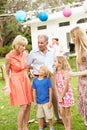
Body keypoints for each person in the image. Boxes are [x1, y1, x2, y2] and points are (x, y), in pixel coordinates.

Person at [27, 34, 62, 123]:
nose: (40, 44)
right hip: (38, 78)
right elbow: (27, 64)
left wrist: (53, 70)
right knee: (41, 98)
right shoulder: (33, 52)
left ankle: (59, 117)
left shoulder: (52, 51)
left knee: (54, 96)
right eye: (38, 42)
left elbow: (55, 62)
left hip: (50, 76)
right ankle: (44, 121)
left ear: (47, 43)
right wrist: (35, 70)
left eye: (42, 43)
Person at [4, 35, 33, 130]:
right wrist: (7, 86)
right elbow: (7, 73)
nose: (24, 48)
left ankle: (25, 127)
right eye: (22, 46)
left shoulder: (25, 54)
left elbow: (28, 65)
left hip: (25, 78)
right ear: (16, 45)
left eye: (24, 46)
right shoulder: (9, 57)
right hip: (16, 80)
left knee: (28, 104)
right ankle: (19, 128)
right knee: (23, 105)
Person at [67, 26, 87, 126]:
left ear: (78, 36)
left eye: (73, 36)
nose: (72, 39)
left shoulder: (86, 50)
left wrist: (75, 74)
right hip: (82, 84)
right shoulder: (79, 51)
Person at [54, 56, 74, 130]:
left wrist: (61, 96)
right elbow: (55, 85)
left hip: (66, 94)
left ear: (61, 63)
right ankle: (66, 127)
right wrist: (58, 95)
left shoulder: (65, 73)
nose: (55, 63)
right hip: (59, 94)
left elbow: (66, 86)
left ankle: (69, 127)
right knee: (61, 112)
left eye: (56, 62)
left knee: (67, 111)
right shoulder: (56, 72)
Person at [32, 66, 54, 130]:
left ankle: (51, 127)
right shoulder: (35, 81)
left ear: (45, 73)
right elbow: (34, 91)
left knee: (49, 116)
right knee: (40, 116)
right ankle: (40, 127)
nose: (41, 70)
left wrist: (50, 101)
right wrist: (35, 102)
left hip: (46, 101)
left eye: (43, 70)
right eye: (40, 69)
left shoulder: (47, 80)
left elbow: (50, 90)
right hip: (38, 102)